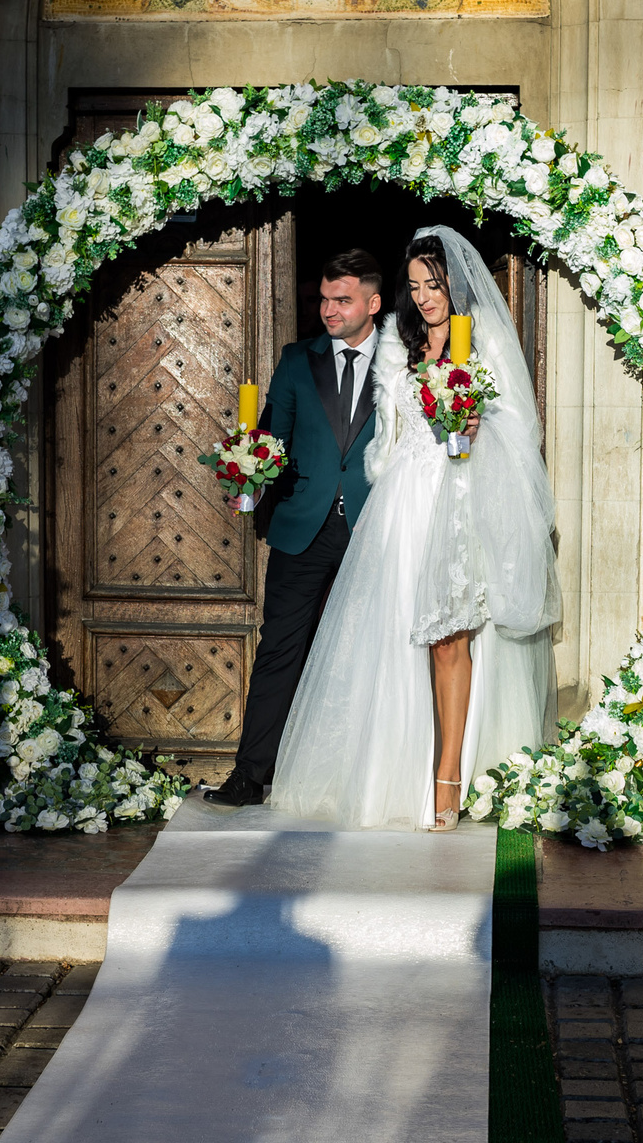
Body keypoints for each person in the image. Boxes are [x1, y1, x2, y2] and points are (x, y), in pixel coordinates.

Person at [267, 228, 559, 830]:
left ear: (456, 283)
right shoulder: (397, 348)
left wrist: (474, 428)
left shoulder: (486, 347)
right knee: (393, 644)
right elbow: (386, 437)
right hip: (400, 506)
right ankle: (388, 777)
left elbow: (520, 435)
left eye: (435, 284)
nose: (426, 297)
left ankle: (449, 778)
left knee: (451, 638)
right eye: (417, 285)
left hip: (457, 499)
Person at [201, 248, 390, 809]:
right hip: (302, 527)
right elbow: (270, 438)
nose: (330, 310)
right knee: (279, 650)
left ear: (373, 304)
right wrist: (250, 470)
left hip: (375, 529)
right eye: (326, 300)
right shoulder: (295, 359)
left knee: (371, 653)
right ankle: (249, 775)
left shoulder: (405, 363)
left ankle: (365, 781)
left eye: (343, 300)